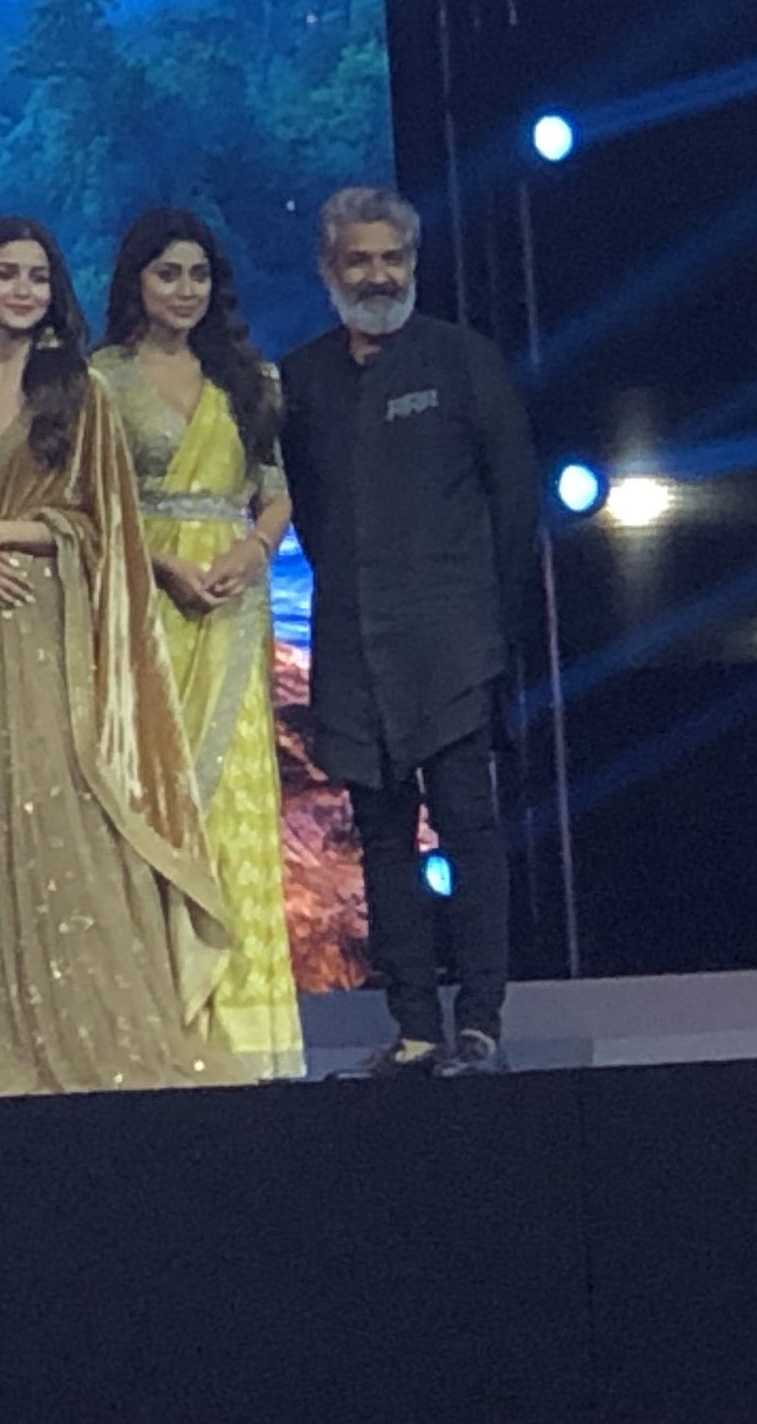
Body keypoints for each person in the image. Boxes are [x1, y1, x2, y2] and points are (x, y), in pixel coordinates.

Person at [0, 216, 245, 1101]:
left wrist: (10, 532)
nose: (23, 291)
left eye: (38, 277)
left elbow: (110, 524)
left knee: (60, 813)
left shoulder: (80, 396)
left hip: (51, 627)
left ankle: (91, 1038)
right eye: (6, 275)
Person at [280, 186, 541, 1078]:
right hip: (353, 644)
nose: (378, 275)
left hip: (453, 643)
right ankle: (416, 1028)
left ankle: (482, 1024)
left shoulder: (464, 361)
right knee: (381, 841)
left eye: (392, 258)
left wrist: (484, 623)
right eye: (360, 260)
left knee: (469, 829)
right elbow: (305, 512)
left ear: (414, 264)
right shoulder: (303, 379)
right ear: (329, 269)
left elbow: (514, 503)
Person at [92, 208, 306, 1081]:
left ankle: (242, 1044)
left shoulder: (251, 378)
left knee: (232, 810)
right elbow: (92, 506)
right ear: (136, 282)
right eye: (167, 274)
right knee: (149, 808)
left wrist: (254, 551)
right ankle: (158, 1034)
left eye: (198, 275)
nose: (185, 291)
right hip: (143, 607)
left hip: (233, 606)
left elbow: (275, 491)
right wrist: (162, 562)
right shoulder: (101, 381)